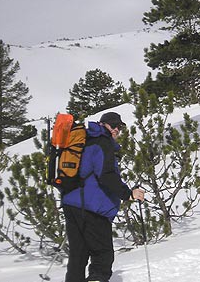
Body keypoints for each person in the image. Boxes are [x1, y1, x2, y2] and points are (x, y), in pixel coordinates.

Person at [62, 111, 145, 282]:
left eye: (119, 127)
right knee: (102, 255)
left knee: (79, 255)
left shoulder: (85, 141)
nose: (116, 130)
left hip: (72, 203)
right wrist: (128, 194)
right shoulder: (102, 142)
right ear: (103, 124)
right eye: (113, 125)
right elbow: (106, 174)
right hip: (92, 207)